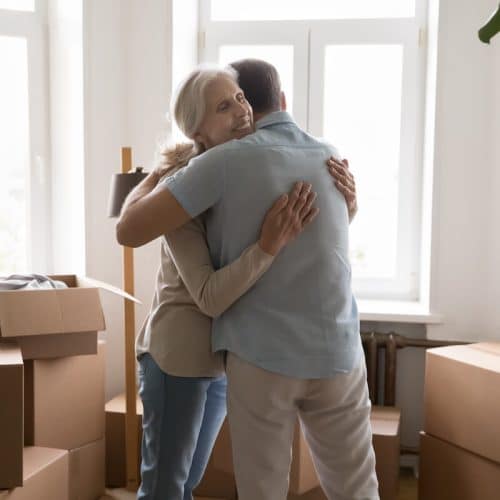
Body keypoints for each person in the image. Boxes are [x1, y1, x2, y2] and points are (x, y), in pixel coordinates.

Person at [128, 65, 357, 500]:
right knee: (163, 489)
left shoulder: (240, 171)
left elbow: (300, 241)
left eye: (239, 98)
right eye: (222, 106)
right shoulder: (185, 189)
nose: (241, 110)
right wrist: (267, 247)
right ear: (197, 129)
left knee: (187, 484)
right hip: (178, 358)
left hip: (219, 360)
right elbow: (210, 296)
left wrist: (346, 209)